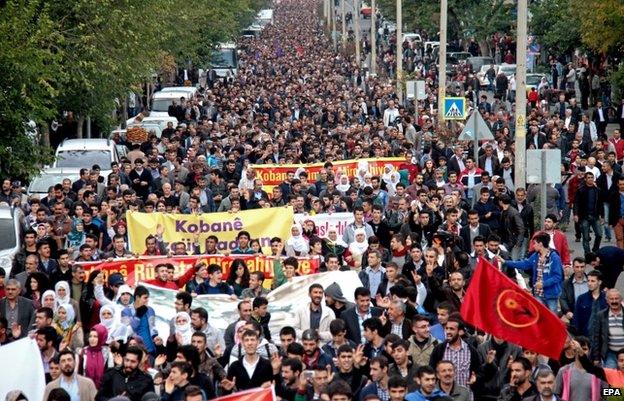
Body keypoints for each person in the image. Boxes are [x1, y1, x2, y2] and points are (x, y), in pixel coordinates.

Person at [503, 233, 564, 313]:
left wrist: (543, 284)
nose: (533, 246)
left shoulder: (554, 257)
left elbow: (557, 276)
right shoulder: (536, 256)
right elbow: (524, 264)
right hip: (538, 294)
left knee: (551, 319)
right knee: (539, 317)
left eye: (535, 243)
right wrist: (506, 262)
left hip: (551, 295)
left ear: (540, 244)